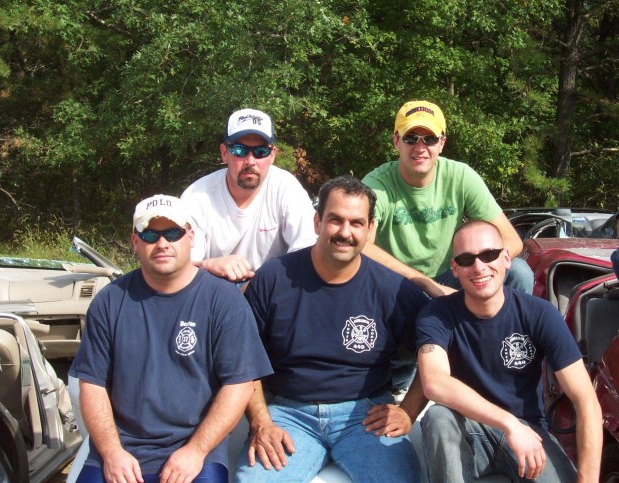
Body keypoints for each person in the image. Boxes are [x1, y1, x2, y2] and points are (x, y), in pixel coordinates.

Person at [235, 176, 429, 483]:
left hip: (366, 416)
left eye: (356, 223)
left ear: (370, 230)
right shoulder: (273, 279)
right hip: (288, 414)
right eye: (335, 220)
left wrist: (408, 410)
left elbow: (436, 350)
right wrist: (260, 421)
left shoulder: (394, 291)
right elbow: (241, 357)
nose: (345, 232)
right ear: (317, 222)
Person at [68, 194, 273, 483]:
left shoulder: (224, 301)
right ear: (135, 241)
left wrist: (195, 451)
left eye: (173, 233)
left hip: (195, 453)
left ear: (190, 237)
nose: (162, 243)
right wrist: (112, 453)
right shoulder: (110, 301)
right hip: (119, 453)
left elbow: (239, 386)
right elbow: (91, 384)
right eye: (150, 234)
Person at [416, 220, 602, 482]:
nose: (479, 266)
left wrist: (589, 480)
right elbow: (435, 383)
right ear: (455, 269)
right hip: (468, 430)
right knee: (438, 416)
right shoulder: (436, 315)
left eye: (489, 254)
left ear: (506, 259)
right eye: (467, 259)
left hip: (529, 434)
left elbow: (585, 400)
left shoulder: (540, 314)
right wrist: (508, 423)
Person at [362, 100, 534, 298]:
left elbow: (511, 241)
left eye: (430, 139)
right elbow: (362, 246)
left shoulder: (460, 177)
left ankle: (503, 327)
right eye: (411, 138)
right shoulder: (376, 185)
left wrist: (474, 269)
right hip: (398, 282)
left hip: (453, 275)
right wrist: (425, 284)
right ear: (396, 141)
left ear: (441, 143)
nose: (420, 147)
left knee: (519, 272)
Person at [180, 108, 317, 284]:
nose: (250, 161)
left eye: (261, 151)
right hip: (214, 293)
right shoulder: (196, 197)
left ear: (272, 155)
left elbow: (307, 252)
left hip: (273, 290)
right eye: (239, 150)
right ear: (224, 153)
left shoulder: (287, 188)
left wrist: (260, 284)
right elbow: (181, 268)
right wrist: (209, 264)